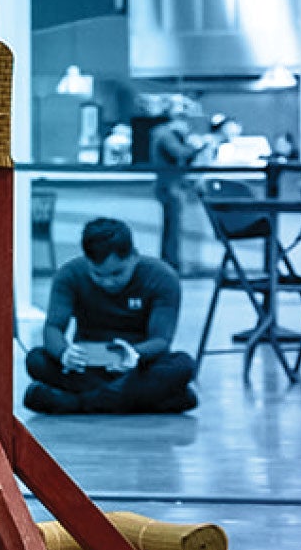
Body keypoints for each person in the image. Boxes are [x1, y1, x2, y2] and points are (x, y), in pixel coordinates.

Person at [25, 218, 198, 414]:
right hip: (86, 366)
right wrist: (63, 352)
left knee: (183, 365)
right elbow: (53, 327)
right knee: (36, 359)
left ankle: (78, 402)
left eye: (117, 273)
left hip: (137, 367)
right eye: (98, 275)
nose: (108, 282)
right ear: (87, 262)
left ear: (134, 257)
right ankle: (135, 400)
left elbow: (161, 339)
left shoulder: (162, 277)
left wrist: (135, 354)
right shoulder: (69, 275)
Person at [148, 99, 201, 270]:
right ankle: (171, 263)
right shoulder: (165, 134)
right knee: (173, 229)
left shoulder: (163, 133)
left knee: (171, 228)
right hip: (170, 186)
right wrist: (196, 146)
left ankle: (169, 262)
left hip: (168, 185)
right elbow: (180, 153)